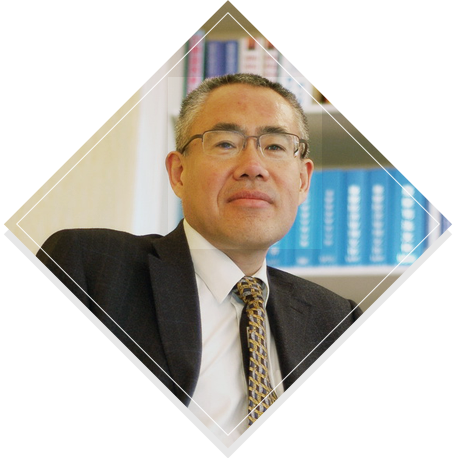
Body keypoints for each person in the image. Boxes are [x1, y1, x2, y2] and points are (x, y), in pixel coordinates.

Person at [3, 74, 452, 450]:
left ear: (302, 181)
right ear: (179, 172)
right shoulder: (93, 269)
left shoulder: (335, 321)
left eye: (276, 146)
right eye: (225, 143)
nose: (253, 165)